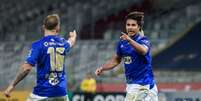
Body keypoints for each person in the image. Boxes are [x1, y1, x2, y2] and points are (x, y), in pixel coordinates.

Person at [3, 14, 77, 101]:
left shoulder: (38, 45)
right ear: (57, 28)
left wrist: (12, 85)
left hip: (42, 93)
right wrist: (73, 36)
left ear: (43, 27)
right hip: (61, 94)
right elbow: (71, 42)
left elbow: (26, 69)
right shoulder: (63, 43)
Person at [95, 11, 158, 101]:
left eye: (133, 25)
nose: (130, 27)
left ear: (139, 27)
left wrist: (130, 40)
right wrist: (103, 68)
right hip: (134, 84)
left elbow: (144, 51)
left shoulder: (143, 40)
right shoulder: (122, 42)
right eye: (128, 25)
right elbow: (116, 60)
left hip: (142, 85)